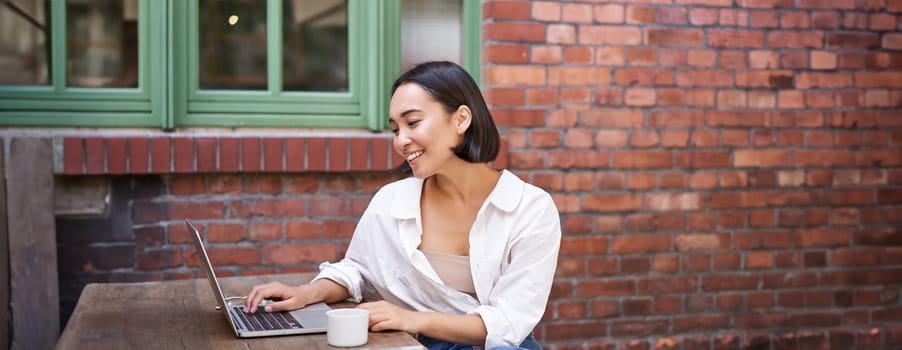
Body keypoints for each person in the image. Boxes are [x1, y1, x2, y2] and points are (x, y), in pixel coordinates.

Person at [244, 61, 561, 350]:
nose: (400, 140)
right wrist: (303, 294)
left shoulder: (530, 208)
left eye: (413, 122)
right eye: (396, 129)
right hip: (406, 342)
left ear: (462, 119)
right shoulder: (392, 200)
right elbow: (358, 271)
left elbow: (510, 322)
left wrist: (412, 318)